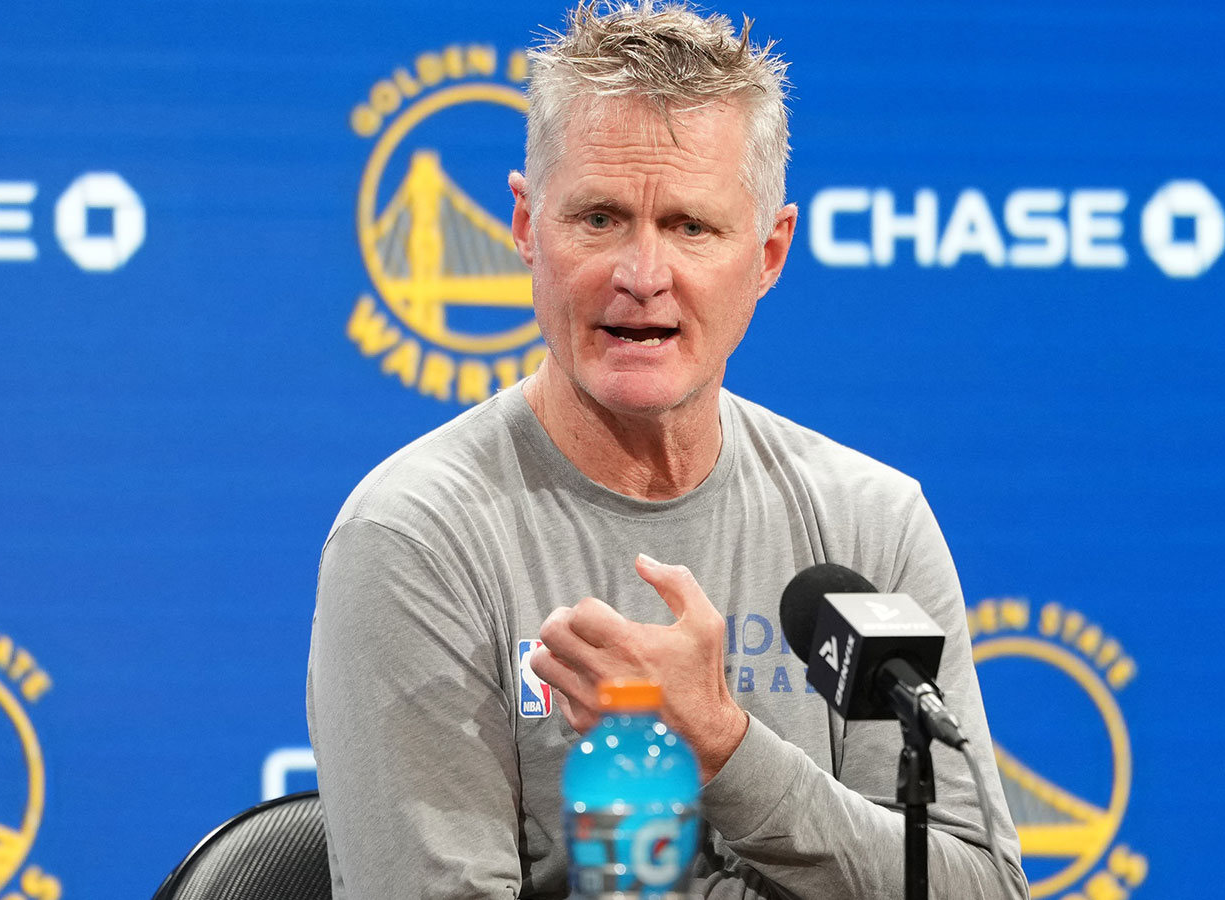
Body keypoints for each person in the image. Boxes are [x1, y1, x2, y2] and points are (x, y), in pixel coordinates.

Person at [308, 3, 1026, 898]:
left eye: (691, 226)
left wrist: (721, 744)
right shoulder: (415, 539)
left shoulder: (871, 521)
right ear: (527, 228)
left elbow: (975, 886)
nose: (642, 275)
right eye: (600, 218)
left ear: (767, 253)